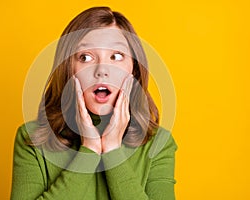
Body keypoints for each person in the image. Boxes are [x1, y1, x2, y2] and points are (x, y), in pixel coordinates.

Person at [11, 6, 177, 200]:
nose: (102, 70)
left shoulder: (159, 144)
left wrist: (113, 151)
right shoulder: (31, 140)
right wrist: (88, 150)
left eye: (116, 56)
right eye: (86, 57)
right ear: (68, 70)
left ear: (134, 70)